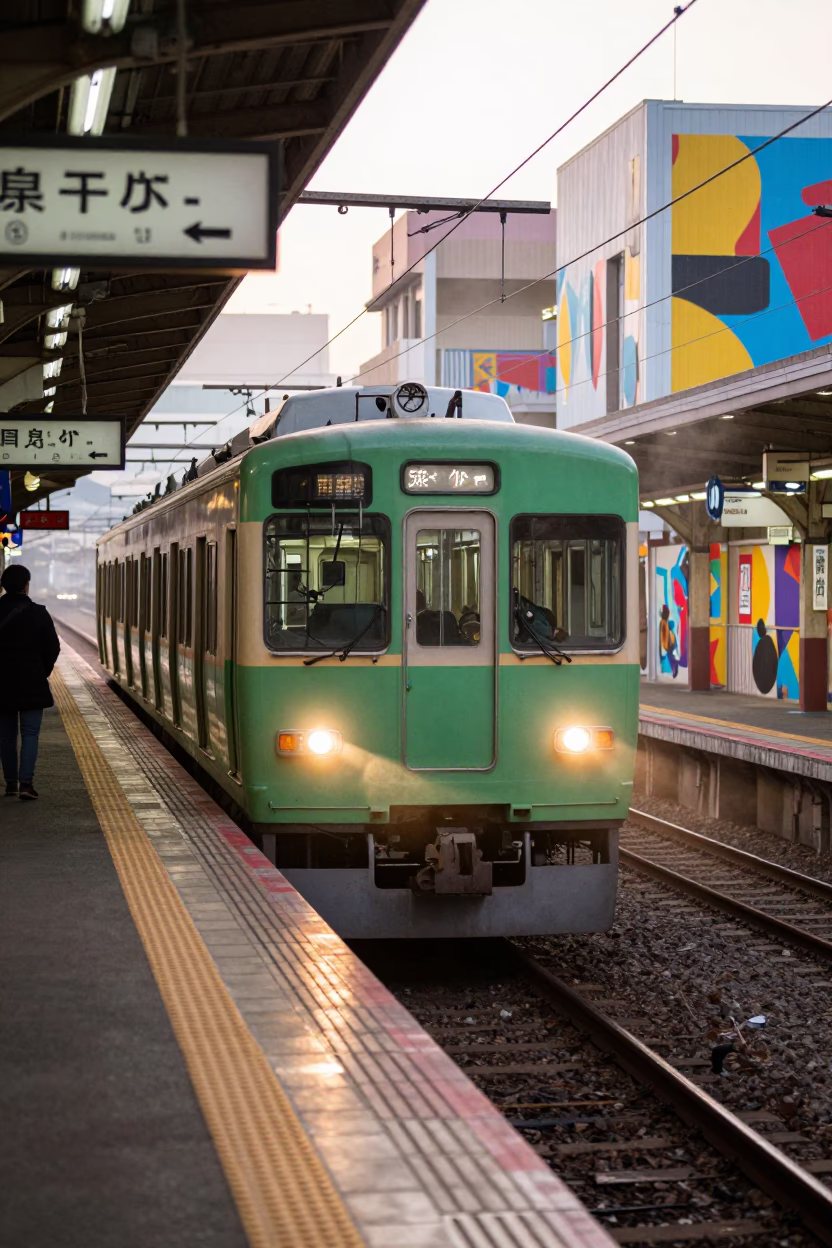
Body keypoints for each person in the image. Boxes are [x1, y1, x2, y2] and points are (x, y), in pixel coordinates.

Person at [0, 563, 60, 800]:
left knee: (5, 736)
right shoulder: (38, 612)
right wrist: (41, 671)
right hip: (31, 682)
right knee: (30, 733)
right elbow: (53, 647)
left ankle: (10, 784)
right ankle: (26, 784)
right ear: (26, 586)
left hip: (2, 682)